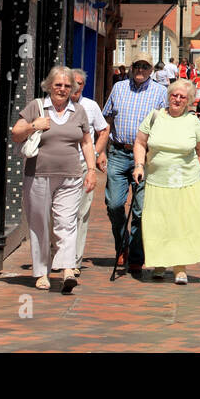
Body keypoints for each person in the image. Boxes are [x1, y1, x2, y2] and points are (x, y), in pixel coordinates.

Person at [11, 66, 96, 293]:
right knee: (40, 224)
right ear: (49, 85)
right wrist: (33, 126)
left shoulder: (78, 111)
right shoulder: (37, 107)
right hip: (38, 175)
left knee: (66, 223)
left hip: (71, 176)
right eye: (58, 85)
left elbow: (87, 142)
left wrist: (91, 169)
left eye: (68, 86)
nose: (62, 89)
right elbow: (16, 133)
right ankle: (41, 273)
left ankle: (67, 269)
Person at [132, 79, 200, 284]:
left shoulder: (193, 121)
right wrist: (139, 165)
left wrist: (198, 158)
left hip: (186, 181)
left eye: (182, 97)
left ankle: (179, 267)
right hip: (157, 180)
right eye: (174, 95)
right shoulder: (155, 116)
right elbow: (140, 142)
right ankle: (159, 264)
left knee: (181, 224)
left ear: (189, 101)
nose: (177, 99)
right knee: (157, 223)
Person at [101, 54, 168, 278]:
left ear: (151, 69)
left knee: (141, 210)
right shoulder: (119, 88)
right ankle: (123, 244)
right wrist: (100, 150)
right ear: (131, 67)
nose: (140, 69)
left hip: (147, 157)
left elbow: (167, 124)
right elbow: (107, 120)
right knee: (114, 204)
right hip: (119, 152)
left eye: (145, 66)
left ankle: (136, 257)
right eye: (137, 65)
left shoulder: (160, 92)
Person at [69, 69, 108, 275]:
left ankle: (74, 260)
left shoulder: (91, 106)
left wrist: (95, 152)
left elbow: (104, 130)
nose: (75, 87)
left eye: (79, 83)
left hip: (84, 165)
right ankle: (57, 252)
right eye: (71, 83)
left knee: (81, 213)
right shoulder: (56, 106)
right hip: (59, 167)